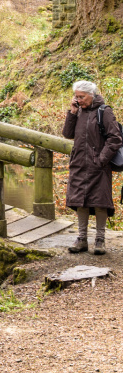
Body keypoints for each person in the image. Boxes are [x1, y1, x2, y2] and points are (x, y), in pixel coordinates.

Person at [62, 79, 121, 255]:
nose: (78, 100)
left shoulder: (105, 112)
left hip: (99, 166)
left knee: (100, 202)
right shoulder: (78, 111)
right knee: (80, 202)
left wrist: (101, 159)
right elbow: (67, 134)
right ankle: (81, 239)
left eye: (82, 97)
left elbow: (115, 139)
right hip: (79, 164)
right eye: (76, 96)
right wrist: (72, 113)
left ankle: (100, 240)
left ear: (91, 95)